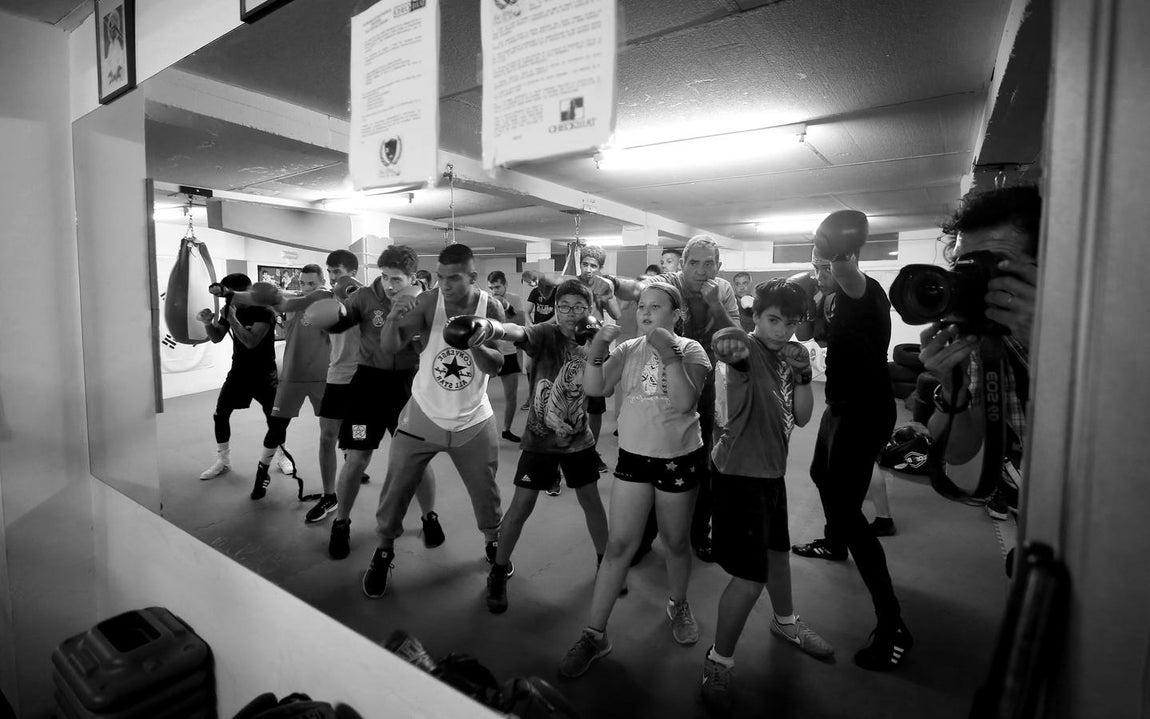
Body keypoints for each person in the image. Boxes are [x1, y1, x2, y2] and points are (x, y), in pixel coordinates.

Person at [558, 282, 712, 679]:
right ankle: (595, 635)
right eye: (642, 306)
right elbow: (595, 388)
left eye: (656, 307)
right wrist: (596, 349)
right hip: (634, 457)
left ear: (676, 315)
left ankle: (678, 603)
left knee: (676, 542)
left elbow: (684, 402)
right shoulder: (628, 349)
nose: (645, 313)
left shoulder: (692, 350)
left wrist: (668, 352)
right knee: (619, 545)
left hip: (678, 457)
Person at [699, 279, 834, 712]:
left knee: (778, 553)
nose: (781, 331)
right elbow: (729, 365)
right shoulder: (745, 350)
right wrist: (730, 346)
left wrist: (803, 372)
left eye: (790, 323)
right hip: (738, 475)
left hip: (771, 473)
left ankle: (786, 622)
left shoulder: (786, 357)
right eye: (773, 320)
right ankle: (718, 659)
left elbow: (804, 415)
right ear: (757, 316)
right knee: (750, 577)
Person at [789, 210, 911, 671]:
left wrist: (836, 255)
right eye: (815, 264)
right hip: (840, 406)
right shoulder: (831, 301)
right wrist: (809, 299)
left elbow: (845, 273)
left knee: (845, 505)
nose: (821, 272)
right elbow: (804, 334)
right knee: (821, 473)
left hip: (866, 412)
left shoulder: (864, 289)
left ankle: (893, 622)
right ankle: (834, 542)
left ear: (847, 258)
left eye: (827, 264)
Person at [361, 243, 506, 598]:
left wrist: (474, 343)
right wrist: (395, 316)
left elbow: (496, 366)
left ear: (472, 276)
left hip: (473, 418)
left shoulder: (492, 306)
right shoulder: (429, 302)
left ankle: (493, 546)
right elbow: (391, 347)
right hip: (422, 414)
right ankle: (383, 551)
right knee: (395, 489)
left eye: (453, 278)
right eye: (440, 277)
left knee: (486, 493)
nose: (445, 284)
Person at [481, 280, 610, 614]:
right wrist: (489, 327)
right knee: (521, 506)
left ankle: (606, 565)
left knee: (592, 502)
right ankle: (498, 570)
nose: (569, 314)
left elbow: (603, 391)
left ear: (589, 309)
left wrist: (599, 347)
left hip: (579, 439)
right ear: (554, 307)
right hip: (539, 438)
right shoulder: (544, 333)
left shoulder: (594, 340)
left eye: (578, 307)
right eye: (563, 306)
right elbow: (517, 332)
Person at [611, 235, 739, 562]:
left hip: (701, 373)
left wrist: (715, 305)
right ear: (682, 265)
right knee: (654, 452)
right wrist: (608, 281)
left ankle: (699, 533)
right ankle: (645, 535)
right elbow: (636, 289)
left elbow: (736, 341)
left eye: (708, 263)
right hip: (657, 369)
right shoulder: (670, 281)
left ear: (719, 266)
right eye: (693, 262)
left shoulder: (722, 290)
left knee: (699, 456)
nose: (700, 270)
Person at [918, 185, 1040, 522]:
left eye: (994, 267)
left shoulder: (1110, 333)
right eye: (964, 268)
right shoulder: (981, 337)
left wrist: (1053, 342)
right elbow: (959, 453)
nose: (975, 283)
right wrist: (952, 389)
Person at [324, 246, 442, 560]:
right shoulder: (363, 297)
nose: (389, 285)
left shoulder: (426, 301)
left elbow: (430, 345)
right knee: (357, 458)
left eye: (396, 279)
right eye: (385, 277)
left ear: (413, 277)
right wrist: (326, 313)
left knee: (416, 459)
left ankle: (429, 516)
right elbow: (339, 323)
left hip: (407, 389)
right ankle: (341, 522)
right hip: (368, 388)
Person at [227, 264, 331, 500]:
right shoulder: (292, 301)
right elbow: (260, 299)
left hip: (322, 376)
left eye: (312, 283)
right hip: (292, 376)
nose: (306, 287)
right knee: (277, 427)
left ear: (322, 282)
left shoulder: (326, 300)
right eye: (303, 283)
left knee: (335, 427)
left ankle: (353, 463)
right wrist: (229, 294)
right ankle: (261, 474)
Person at [196, 273, 285, 482]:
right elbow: (217, 337)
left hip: (264, 372)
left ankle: (282, 455)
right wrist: (208, 323)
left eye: (232, 295)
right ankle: (223, 461)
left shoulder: (264, 311)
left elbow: (251, 341)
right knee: (220, 414)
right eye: (227, 296)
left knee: (275, 419)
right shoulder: (229, 308)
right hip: (239, 372)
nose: (229, 300)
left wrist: (232, 318)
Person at [304, 250, 367, 523]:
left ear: (353, 272)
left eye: (337, 273)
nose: (332, 278)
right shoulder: (328, 299)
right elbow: (313, 324)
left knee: (359, 439)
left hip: (364, 379)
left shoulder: (369, 298)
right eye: (329, 272)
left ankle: (355, 476)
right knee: (326, 436)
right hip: (336, 377)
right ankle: (329, 496)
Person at [487, 271, 526, 442]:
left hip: (509, 353)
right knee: (478, 392)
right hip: (490, 352)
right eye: (491, 287)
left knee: (511, 396)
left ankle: (506, 430)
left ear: (505, 285)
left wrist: (507, 306)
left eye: (497, 287)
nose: (494, 290)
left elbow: (521, 322)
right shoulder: (485, 300)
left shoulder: (514, 298)